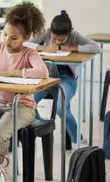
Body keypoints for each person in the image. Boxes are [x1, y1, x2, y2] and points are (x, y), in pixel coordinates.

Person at [0, 2, 48, 182]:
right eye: (4, 34)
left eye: (13, 38)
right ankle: (4, 162)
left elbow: (43, 72)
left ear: (26, 37)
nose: (7, 40)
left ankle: (0, 162)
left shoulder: (30, 54)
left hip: (23, 106)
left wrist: (9, 72)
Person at [24, 10, 101, 144]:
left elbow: (96, 48)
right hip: (47, 78)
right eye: (55, 39)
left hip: (66, 79)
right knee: (27, 102)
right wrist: (44, 48)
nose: (58, 42)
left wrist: (73, 47)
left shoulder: (74, 35)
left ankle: (78, 139)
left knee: (61, 108)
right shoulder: (46, 33)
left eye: (62, 40)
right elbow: (25, 44)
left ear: (69, 34)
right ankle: (42, 126)